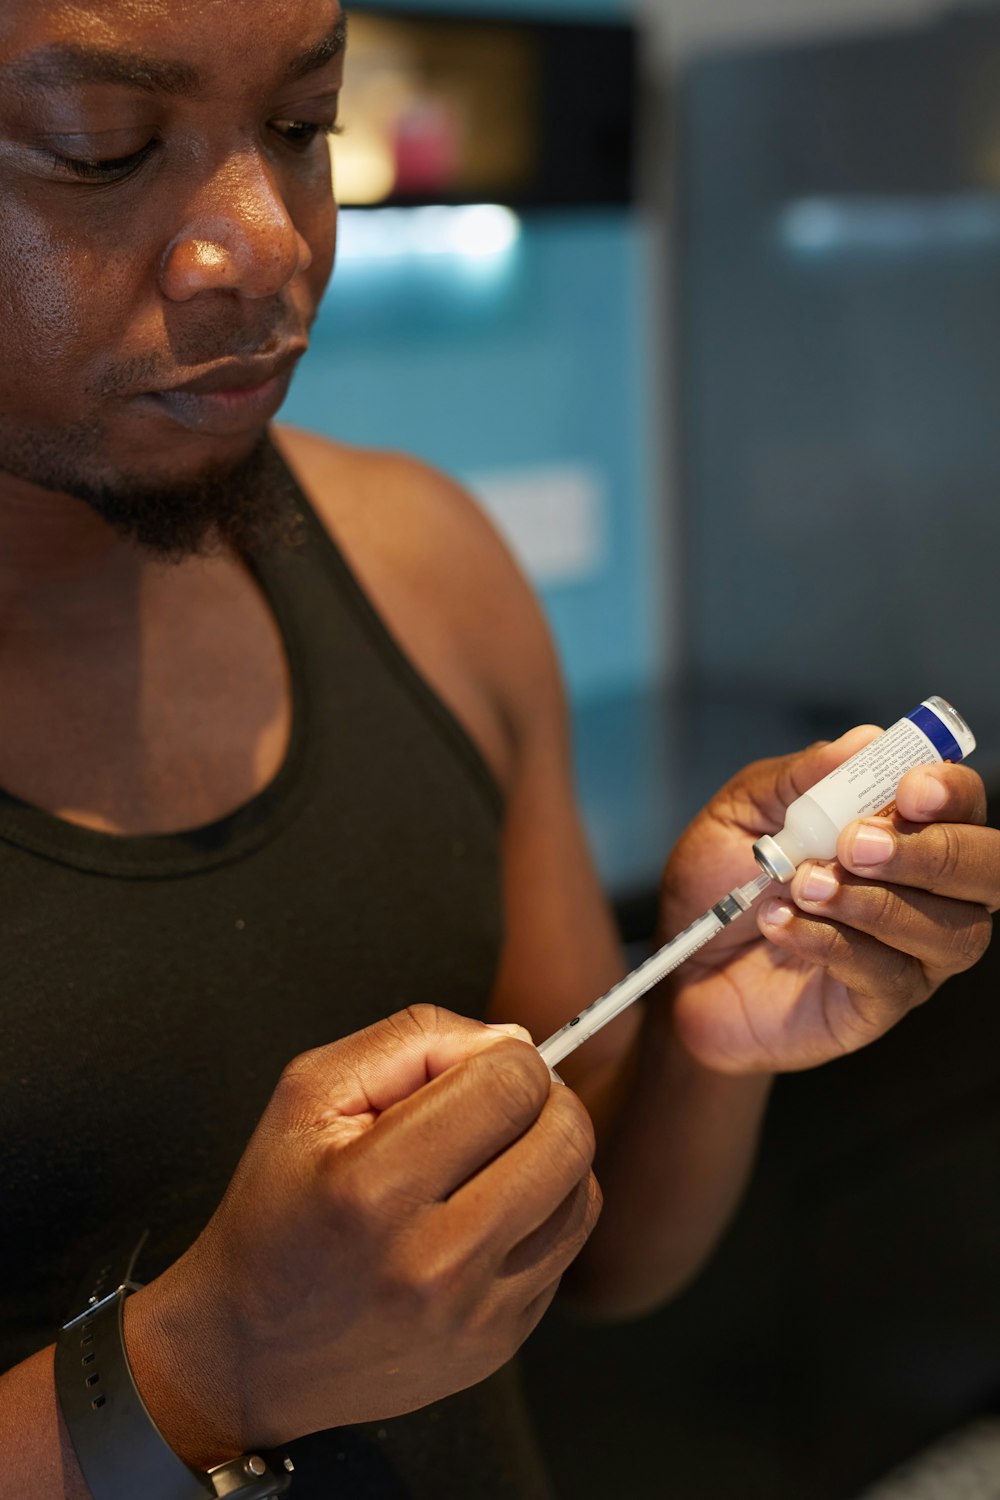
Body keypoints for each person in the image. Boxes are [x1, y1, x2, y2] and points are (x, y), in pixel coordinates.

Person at [0, 1, 996, 1496]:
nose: (264, 243)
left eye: (301, 125)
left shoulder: (429, 569)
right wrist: (208, 1370)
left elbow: (593, 1263)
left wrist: (713, 1036)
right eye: (105, 149)